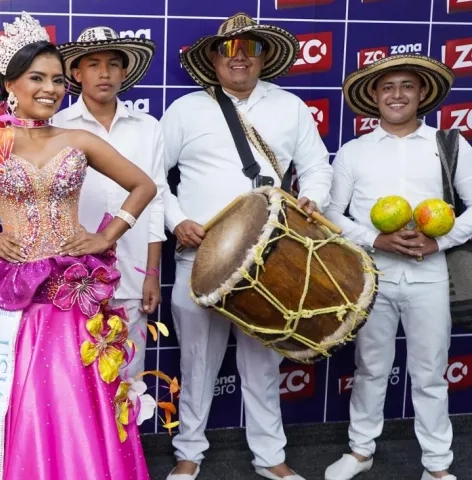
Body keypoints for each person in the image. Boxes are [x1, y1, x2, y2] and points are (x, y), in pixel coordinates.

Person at [0, 11, 160, 480]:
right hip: (18, 302)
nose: (50, 88)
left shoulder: (79, 138)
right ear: (10, 84)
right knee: (16, 398)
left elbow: (144, 186)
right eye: (37, 78)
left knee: (77, 401)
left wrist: (108, 235)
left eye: (57, 79)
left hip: (73, 298)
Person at [161, 12, 332, 480]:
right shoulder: (186, 110)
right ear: (213, 59)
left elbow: (317, 166)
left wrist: (314, 197)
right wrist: (178, 222)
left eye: (250, 50)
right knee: (197, 364)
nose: (240, 59)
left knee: (262, 365)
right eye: (229, 50)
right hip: (201, 255)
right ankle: (188, 452)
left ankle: (270, 458)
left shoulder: (290, 107)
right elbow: (154, 179)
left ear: (263, 58)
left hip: (271, 257)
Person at [323, 54, 467, 480]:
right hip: (373, 277)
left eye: (407, 85)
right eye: (388, 87)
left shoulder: (449, 145)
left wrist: (438, 239)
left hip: (431, 276)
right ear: (374, 96)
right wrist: (376, 239)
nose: (397, 94)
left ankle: (437, 466)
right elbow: (331, 215)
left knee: (429, 373)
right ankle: (361, 451)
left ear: (422, 93)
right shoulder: (353, 152)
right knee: (370, 368)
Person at [53, 26, 167, 378]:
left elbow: (156, 200)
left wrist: (151, 274)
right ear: (76, 72)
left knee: (129, 380)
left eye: (114, 64)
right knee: (76, 382)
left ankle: (129, 437)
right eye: (94, 64)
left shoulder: (148, 128)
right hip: (71, 277)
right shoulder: (54, 126)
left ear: (124, 72)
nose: (104, 73)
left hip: (132, 276)